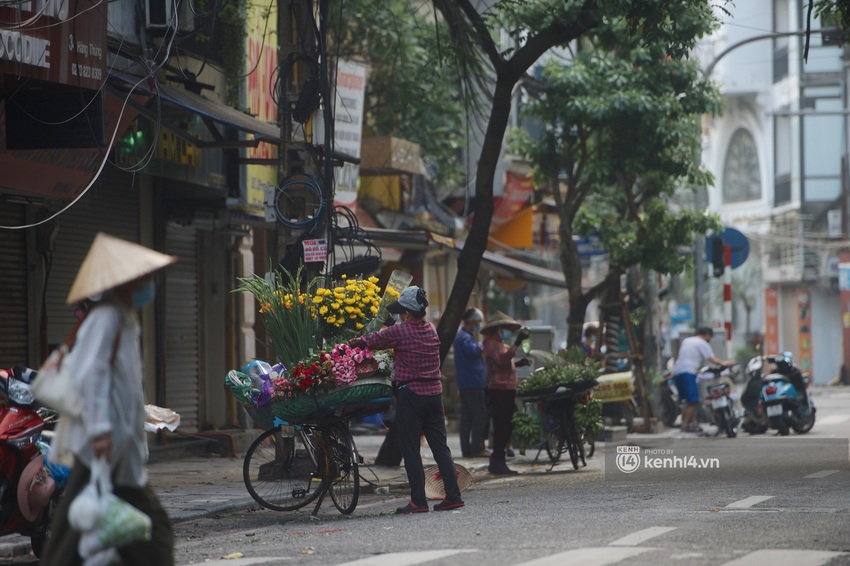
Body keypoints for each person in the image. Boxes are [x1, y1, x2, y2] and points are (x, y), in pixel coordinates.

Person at [40, 233, 177, 566]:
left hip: (115, 449)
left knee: (76, 538)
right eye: (143, 277)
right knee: (154, 534)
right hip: (105, 447)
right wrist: (101, 430)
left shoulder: (123, 317)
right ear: (126, 282)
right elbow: (92, 377)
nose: (148, 283)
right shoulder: (107, 319)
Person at [349, 286, 464, 514]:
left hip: (411, 396)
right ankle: (453, 496)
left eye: (402, 312)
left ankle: (418, 501)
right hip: (434, 395)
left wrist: (353, 343)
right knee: (440, 447)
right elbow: (403, 334)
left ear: (408, 313)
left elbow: (373, 340)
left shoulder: (400, 332)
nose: (400, 316)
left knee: (410, 449)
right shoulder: (431, 329)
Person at [480, 311, 529, 475]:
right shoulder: (491, 343)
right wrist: (517, 343)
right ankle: (497, 461)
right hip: (499, 390)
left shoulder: (499, 343)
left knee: (506, 425)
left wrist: (518, 363)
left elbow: (505, 361)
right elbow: (501, 360)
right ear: (498, 329)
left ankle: (499, 459)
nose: (507, 332)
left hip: (507, 389)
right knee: (501, 426)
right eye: (505, 329)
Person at [671, 327, 734, 433]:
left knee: (688, 401)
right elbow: (711, 358)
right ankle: (685, 425)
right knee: (693, 401)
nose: (709, 339)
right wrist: (725, 363)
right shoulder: (702, 343)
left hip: (677, 371)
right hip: (688, 372)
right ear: (707, 335)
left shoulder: (687, 341)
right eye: (710, 337)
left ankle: (694, 424)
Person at [452, 307, 489, 458]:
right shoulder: (464, 337)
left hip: (467, 383)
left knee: (467, 419)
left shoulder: (464, 335)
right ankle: (476, 448)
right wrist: (483, 345)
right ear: (472, 322)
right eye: (478, 323)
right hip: (472, 383)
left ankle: (467, 450)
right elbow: (473, 352)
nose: (478, 326)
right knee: (479, 416)